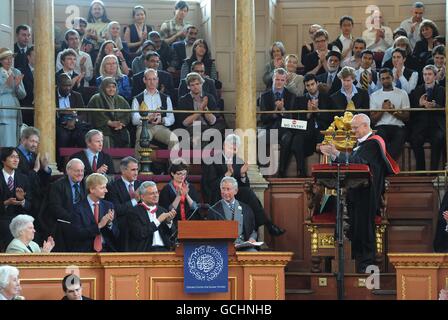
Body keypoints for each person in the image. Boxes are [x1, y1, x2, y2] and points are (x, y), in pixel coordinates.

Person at [320, 113, 399, 272]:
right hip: (355, 192)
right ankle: (354, 264)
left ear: (365, 125)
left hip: (367, 194)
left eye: (355, 128)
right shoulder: (361, 144)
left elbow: (361, 164)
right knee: (354, 228)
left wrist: (336, 154)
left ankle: (367, 267)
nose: (353, 131)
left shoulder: (374, 143)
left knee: (364, 229)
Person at [202, 134, 285, 236]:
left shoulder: (238, 161)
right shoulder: (213, 160)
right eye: (230, 147)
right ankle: (268, 225)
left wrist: (242, 175)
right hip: (219, 194)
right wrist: (227, 174)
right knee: (247, 196)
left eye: (234, 149)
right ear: (224, 146)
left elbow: (246, 185)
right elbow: (210, 185)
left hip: (235, 193)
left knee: (249, 194)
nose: (232, 151)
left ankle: (260, 230)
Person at [43, 158, 86, 252]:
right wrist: (74, 219)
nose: (80, 173)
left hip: (82, 223)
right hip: (64, 223)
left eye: (82, 171)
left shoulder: (86, 185)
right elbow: (55, 208)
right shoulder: (57, 186)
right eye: (77, 171)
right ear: (68, 171)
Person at [131, 69, 179, 151]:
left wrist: (162, 120)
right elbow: (134, 119)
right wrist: (148, 118)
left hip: (160, 127)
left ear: (157, 80)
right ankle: (138, 164)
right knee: (142, 140)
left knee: (174, 140)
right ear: (144, 80)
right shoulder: (137, 99)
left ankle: (173, 164)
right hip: (144, 127)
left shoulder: (166, 98)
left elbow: (171, 118)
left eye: (154, 79)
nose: (152, 82)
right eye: (149, 79)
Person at [409, 64, 445, 170]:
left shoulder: (442, 90)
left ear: (435, 76)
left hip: (436, 125)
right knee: (415, 139)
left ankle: (434, 172)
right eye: (425, 74)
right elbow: (412, 111)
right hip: (421, 125)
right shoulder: (417, 90)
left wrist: (435, 106)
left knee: (438, 139)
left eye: (429, 74)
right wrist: (420, 105)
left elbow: (444, 107)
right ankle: (421, 171)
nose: (427, 77)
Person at [207, 177, 258, 251]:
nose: (225, 192)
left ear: (236, 191)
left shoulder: (246, 208)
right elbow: (210, 234)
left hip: (243, 247)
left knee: (253, 254)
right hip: (223, 249)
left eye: (228, 189)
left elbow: (252, 230)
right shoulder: (214, 210)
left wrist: (252, 238)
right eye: (223, 189)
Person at [370, 68, 410, 161]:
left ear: (392, 78)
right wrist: (383, 110)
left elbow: (407, 117)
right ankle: (389, 164)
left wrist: (392, 111)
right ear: (380, 80)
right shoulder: (374, 95)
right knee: (380, 136)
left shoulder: (402, 93)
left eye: (387, 78)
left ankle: (386, 163)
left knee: (400, 134)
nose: (385, 80)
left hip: (398, 126)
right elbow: (373, 119)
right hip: (381, 126)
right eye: (383, 79)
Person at [72, 173, 119, 252]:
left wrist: (110, 224)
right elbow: (77, 234)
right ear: (92, 189)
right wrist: (100, 225)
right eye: (102, 188)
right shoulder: (78, 208)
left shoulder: (109, 205)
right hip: (85, 252)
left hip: (107, 250)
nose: (106, 191)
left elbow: (117, 234)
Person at [127, 181, 177, 252]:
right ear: (142, 196)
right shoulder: (134, 212)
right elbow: (139, 233)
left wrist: (168, 222)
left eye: (156, 192)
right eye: (151, 193)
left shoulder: (162, 210)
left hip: (165, 250)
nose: (156, 195)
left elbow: (172, 235)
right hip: (145, 251)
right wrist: (158, 221)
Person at [106, 157, 142, 252]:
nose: (136, 173)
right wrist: (135, 200)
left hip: (141, 227)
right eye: (133, 170)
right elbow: (117, 209)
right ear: (123, 170)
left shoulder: (141, 185)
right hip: (123, 229)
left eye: (137, 169)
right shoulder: (113, 187)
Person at [176, 72, 224, 142]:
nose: (195, 87)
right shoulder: (183, 100)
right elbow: (185, 123)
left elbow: (212, 121)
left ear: (202, 84)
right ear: (188, 87)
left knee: (215, 130)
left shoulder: (209, 97)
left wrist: (205, 108)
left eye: (197, 84)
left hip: (207, 128)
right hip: (192, 128)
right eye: (192, 85)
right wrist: (200, 110)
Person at [0, 148, 32, 252]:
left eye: (17, 157)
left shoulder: (24, 178)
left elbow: (31, 204)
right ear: (3, 160)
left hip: (19, 218)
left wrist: (22, 200)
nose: (16, 160)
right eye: (12, 157)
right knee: (7, 228)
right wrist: (5, 203)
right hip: (2, 217)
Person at [16, 127, 52, 219]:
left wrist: (45, 168)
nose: (35, 145)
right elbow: (18, 178)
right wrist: (35, 170)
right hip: (21, 198)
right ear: (24, 139)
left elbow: (41, 180)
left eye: (36, 142)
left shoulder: (34, 156)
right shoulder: (14, 155)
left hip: (35, 198)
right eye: (32, 141)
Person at [55, 74, 89, 166]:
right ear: (58, 84)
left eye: (69, 85)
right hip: (59, 123)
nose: (68, 88)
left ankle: (85, 164)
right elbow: (49, 114)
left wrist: (75, 120)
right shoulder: (51, 96)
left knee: (83, 136)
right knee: (63, 136)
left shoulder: (77, 95)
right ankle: (59, 164)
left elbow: (83, 114)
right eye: (65, 85)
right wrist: (62, 115)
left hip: (75, 123)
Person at [88, 77, 131, 148]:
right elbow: (95, 115)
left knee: (125, 134)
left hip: (118, 128)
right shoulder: (96, 98)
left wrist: (120, 123)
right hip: (101, 127)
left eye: (113, 87)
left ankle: (121, 158)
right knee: (104, 136)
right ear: (103, 88)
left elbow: (127, 114)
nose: (111, 89)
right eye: (108, 87)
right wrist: (109, 123)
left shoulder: (121, 99)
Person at [0, 48, 26, 147]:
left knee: (15, 141)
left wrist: (17, 86)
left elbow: (23, 95)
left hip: (15, 108)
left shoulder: (16, 72)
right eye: (6, 59)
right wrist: (7, 85)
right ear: (1, 60)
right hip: (3, 108)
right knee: (5, 140)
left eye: (11, 58)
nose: (9, 61)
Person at [19, 46, 34, 126]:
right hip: (26, 109)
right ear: (28, 57)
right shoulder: (21, 71)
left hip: (41, 108)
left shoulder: (45, 72)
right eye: (35, 55)